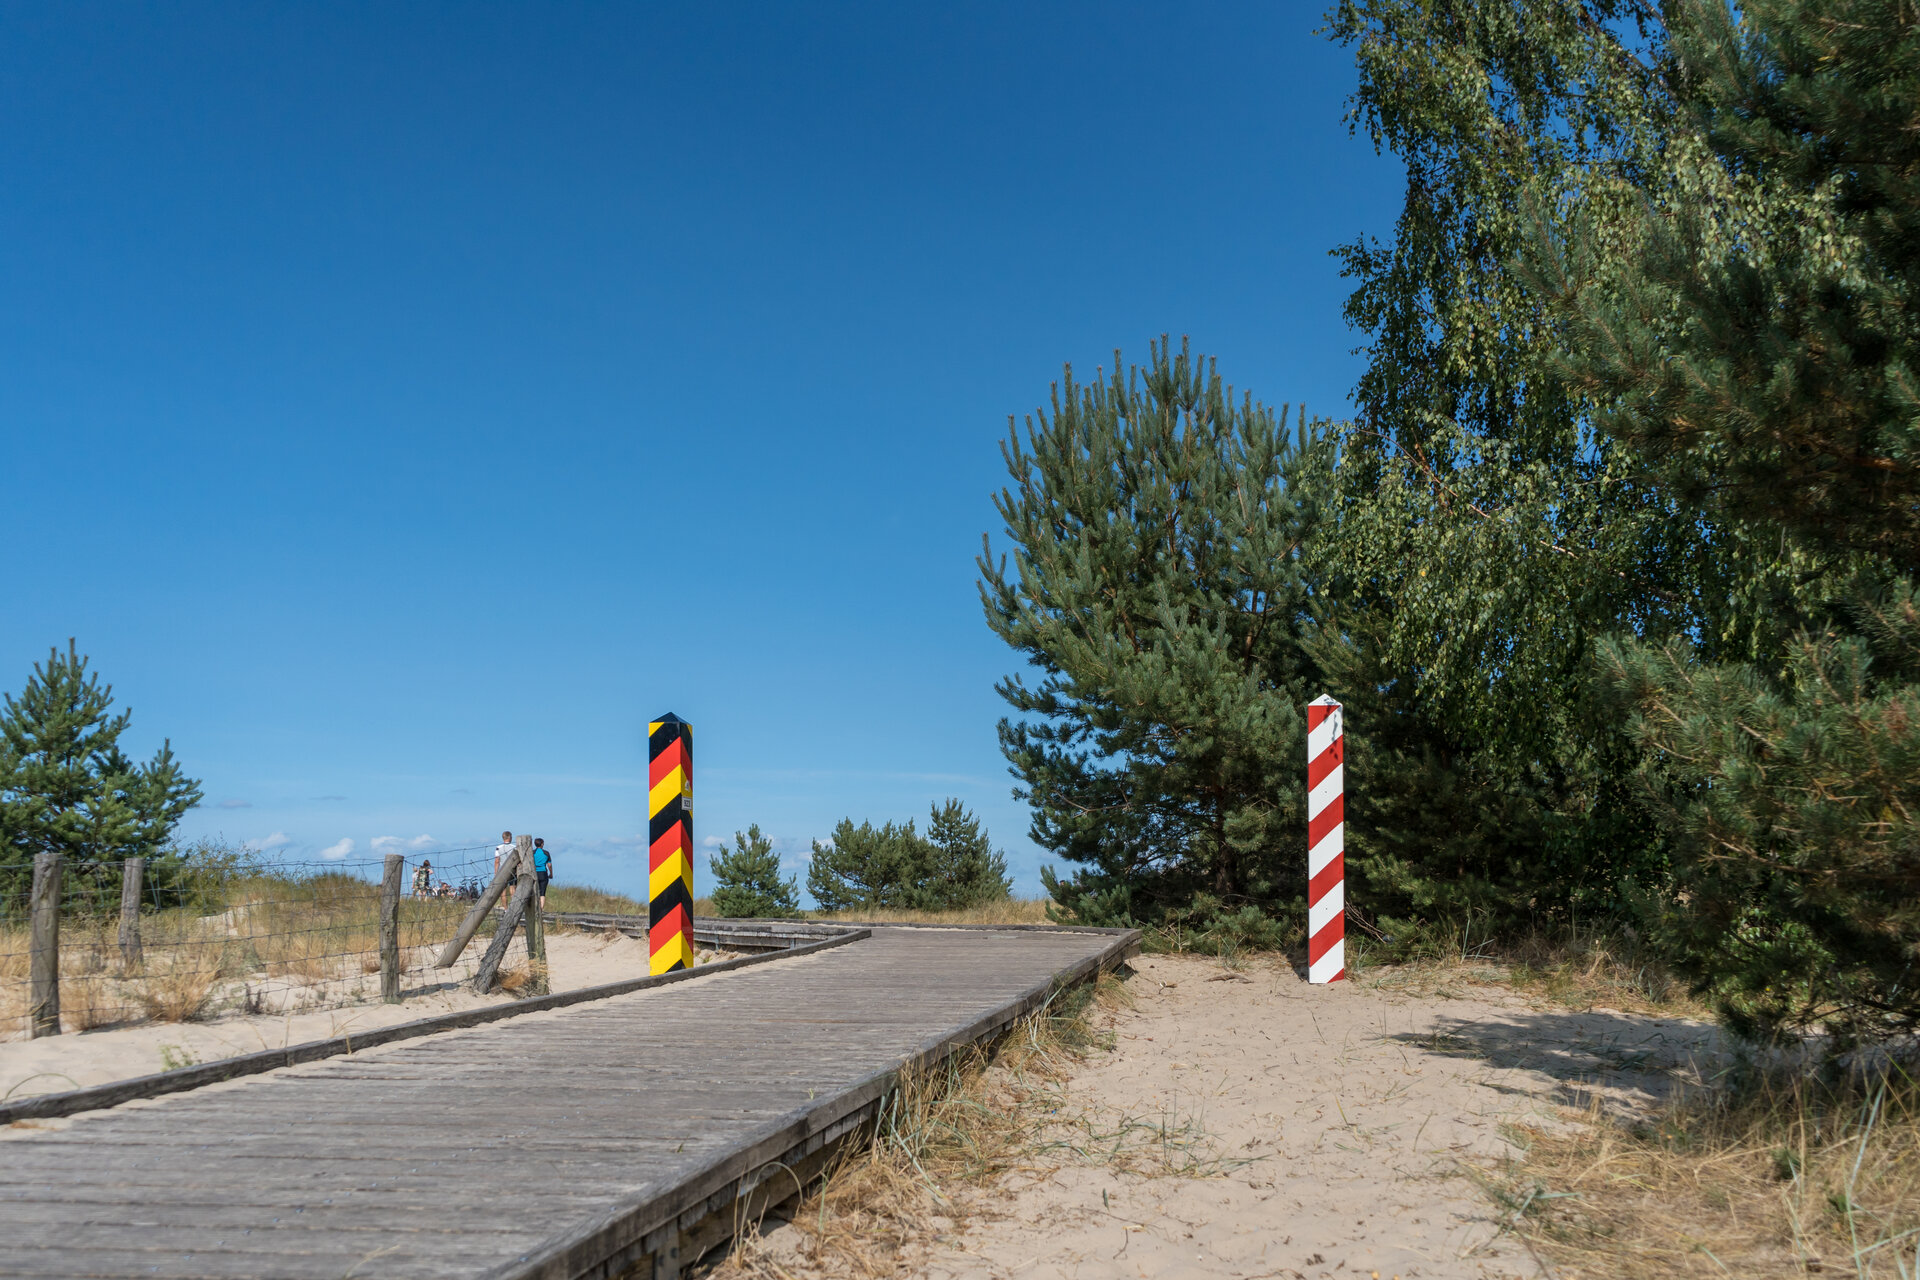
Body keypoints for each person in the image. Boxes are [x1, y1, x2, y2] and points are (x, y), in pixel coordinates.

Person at [494, 831, 515, 901]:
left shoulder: (498, 848)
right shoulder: (514, 847)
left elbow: (497, 861)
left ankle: (505, 909)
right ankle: (514, 907)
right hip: (512, 870)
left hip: (502, 870)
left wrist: (496, 873)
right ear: (509, 837)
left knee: (503, 891)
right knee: (512, 888)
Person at [532, 837, 552, 910]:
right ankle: (541, 909)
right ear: (542, 844)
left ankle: (534, 908)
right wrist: (551, 874)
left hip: (534, 873)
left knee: (534, 892)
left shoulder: (532, 853)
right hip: (543, 873)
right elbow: (549, 865)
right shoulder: (546, 853)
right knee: (542, 893)